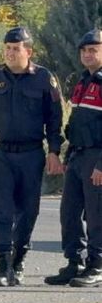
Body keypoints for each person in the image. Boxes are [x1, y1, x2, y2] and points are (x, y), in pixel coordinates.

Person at [0, 27, 64, 287]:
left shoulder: (44, 79)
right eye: (7, 48)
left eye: (16, 48)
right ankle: (3, 265)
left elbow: (55, 119)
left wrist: (55, 151)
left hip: (31, 154)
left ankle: (19, 259)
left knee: (29, 211)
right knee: (1, 211)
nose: (11, 53)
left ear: (29, 51)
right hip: (1, 155)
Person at [45, 28, 102, 288]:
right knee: (69, 213)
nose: (88, 54)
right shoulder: (82, 81)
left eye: (93, 50)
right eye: (84, 50)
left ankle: (97, 264)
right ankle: (74, 262)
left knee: (96, 214)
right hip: (78, 155)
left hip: (97, 156)